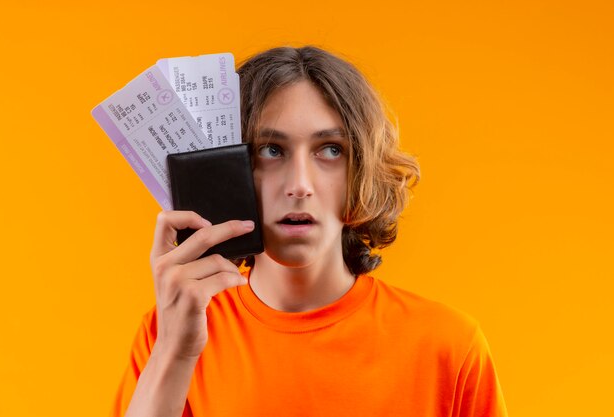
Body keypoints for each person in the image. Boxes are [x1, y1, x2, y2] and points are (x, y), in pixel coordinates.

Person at [113, 46, 508, 417]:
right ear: (229, 168)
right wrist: (174, 353)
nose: (299, 184)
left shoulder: (449, 346)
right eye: (271, 149)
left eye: (331, 149)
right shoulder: (171, 330)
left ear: (363, 172)